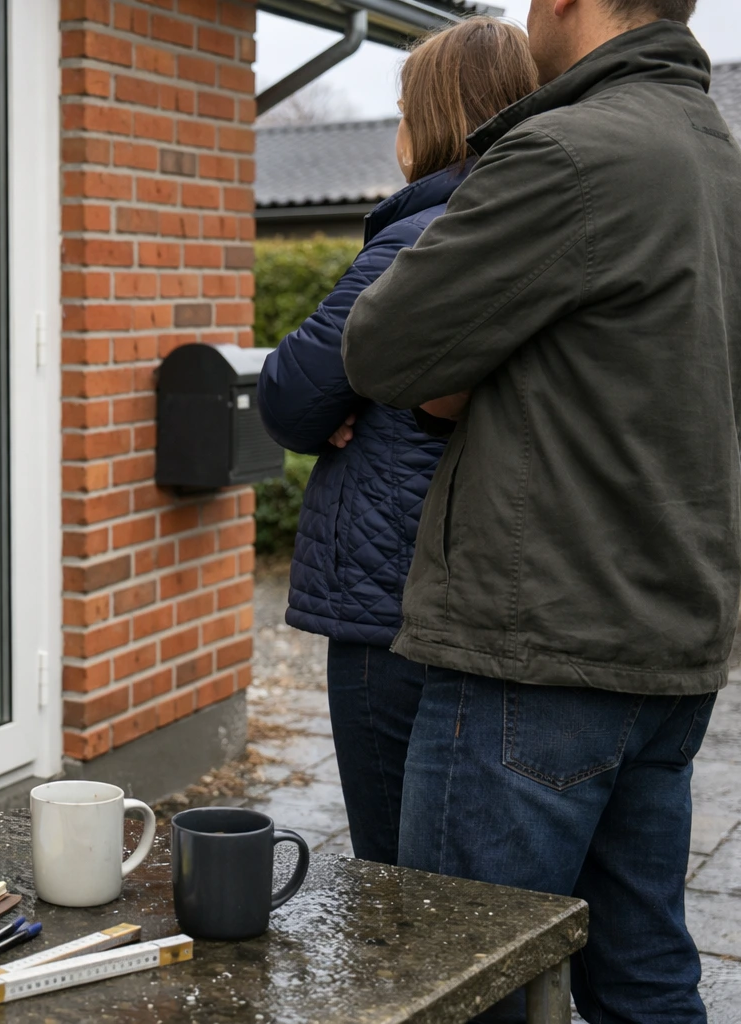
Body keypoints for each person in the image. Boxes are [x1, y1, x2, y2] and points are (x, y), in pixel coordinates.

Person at [342, 0, 741, 1019]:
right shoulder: (722, 162)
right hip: (669, 637)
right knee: (642, 966)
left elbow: (382, 347)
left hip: (537, 648)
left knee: (464, 977)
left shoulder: (568, 153)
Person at [256, 18, 538, 866]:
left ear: (437, 121)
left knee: (399, 883)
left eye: (405, 109)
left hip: (395, 604)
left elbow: (291, 396)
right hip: (484, 591)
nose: (395, 134)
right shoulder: (532, 222)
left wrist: (353, 397)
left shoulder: (417, 239)